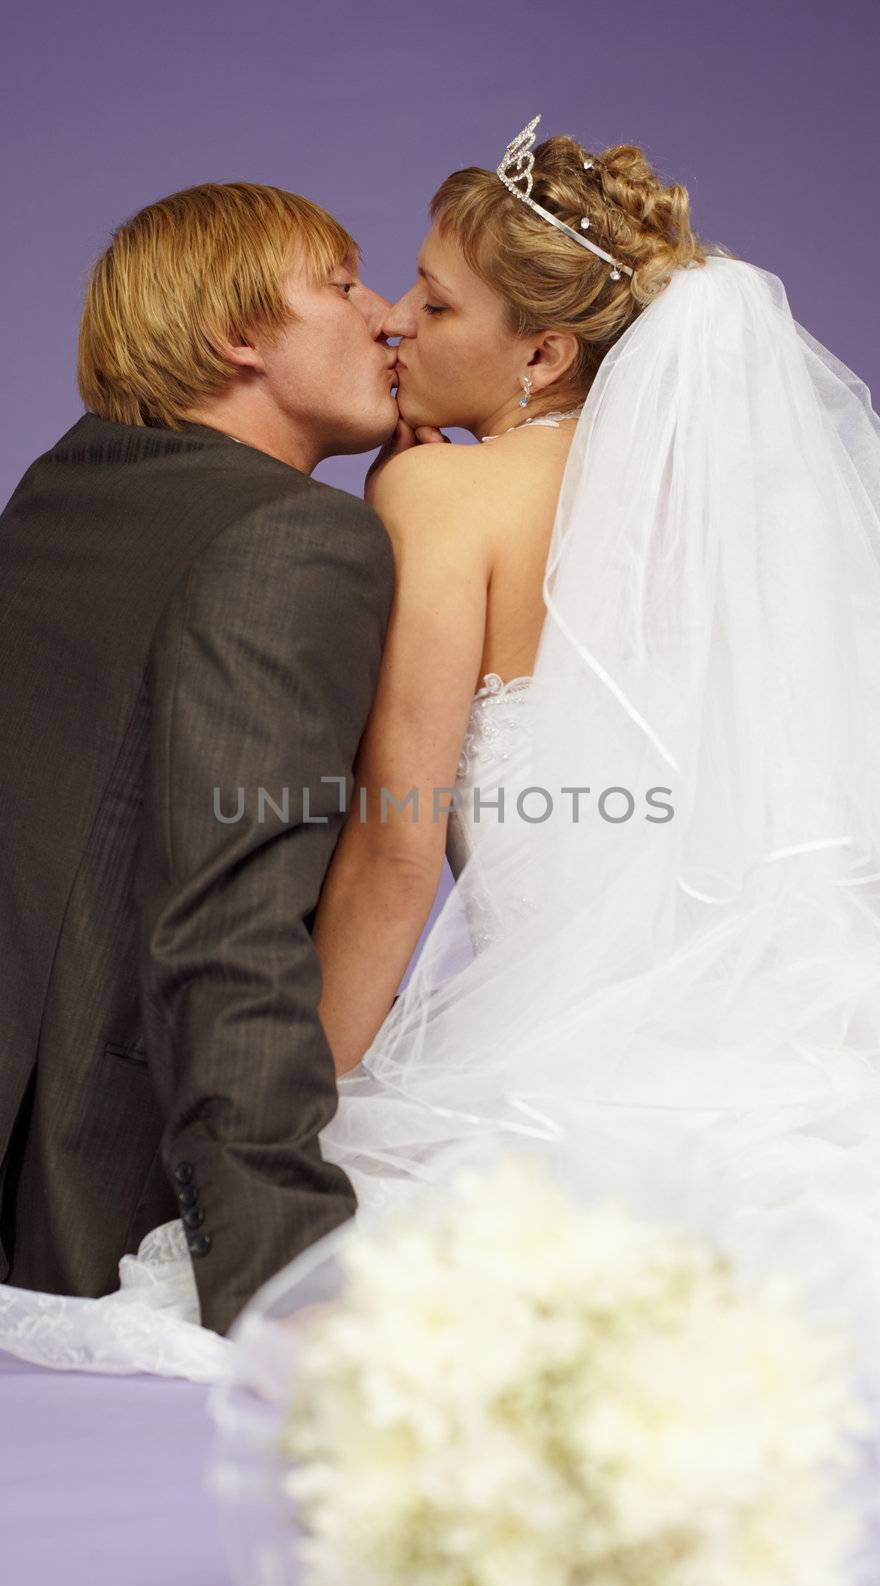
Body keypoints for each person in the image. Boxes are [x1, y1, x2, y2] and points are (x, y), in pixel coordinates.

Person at [312, 112, 880, 1354]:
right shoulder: (729, 508)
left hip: (554, 1061)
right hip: (771, 1033)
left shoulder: (438, 492)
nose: (398, 318)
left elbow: (398, 848)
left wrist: (293, 1109)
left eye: (439, 304)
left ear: (545, 355)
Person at [0, 181, 412, 1378]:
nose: (385, 314)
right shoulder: (290, 539)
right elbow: (224, 924)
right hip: (101, 1208)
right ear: (240, 337)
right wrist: (287, 1282)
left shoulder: (66, 493)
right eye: (341, 284)